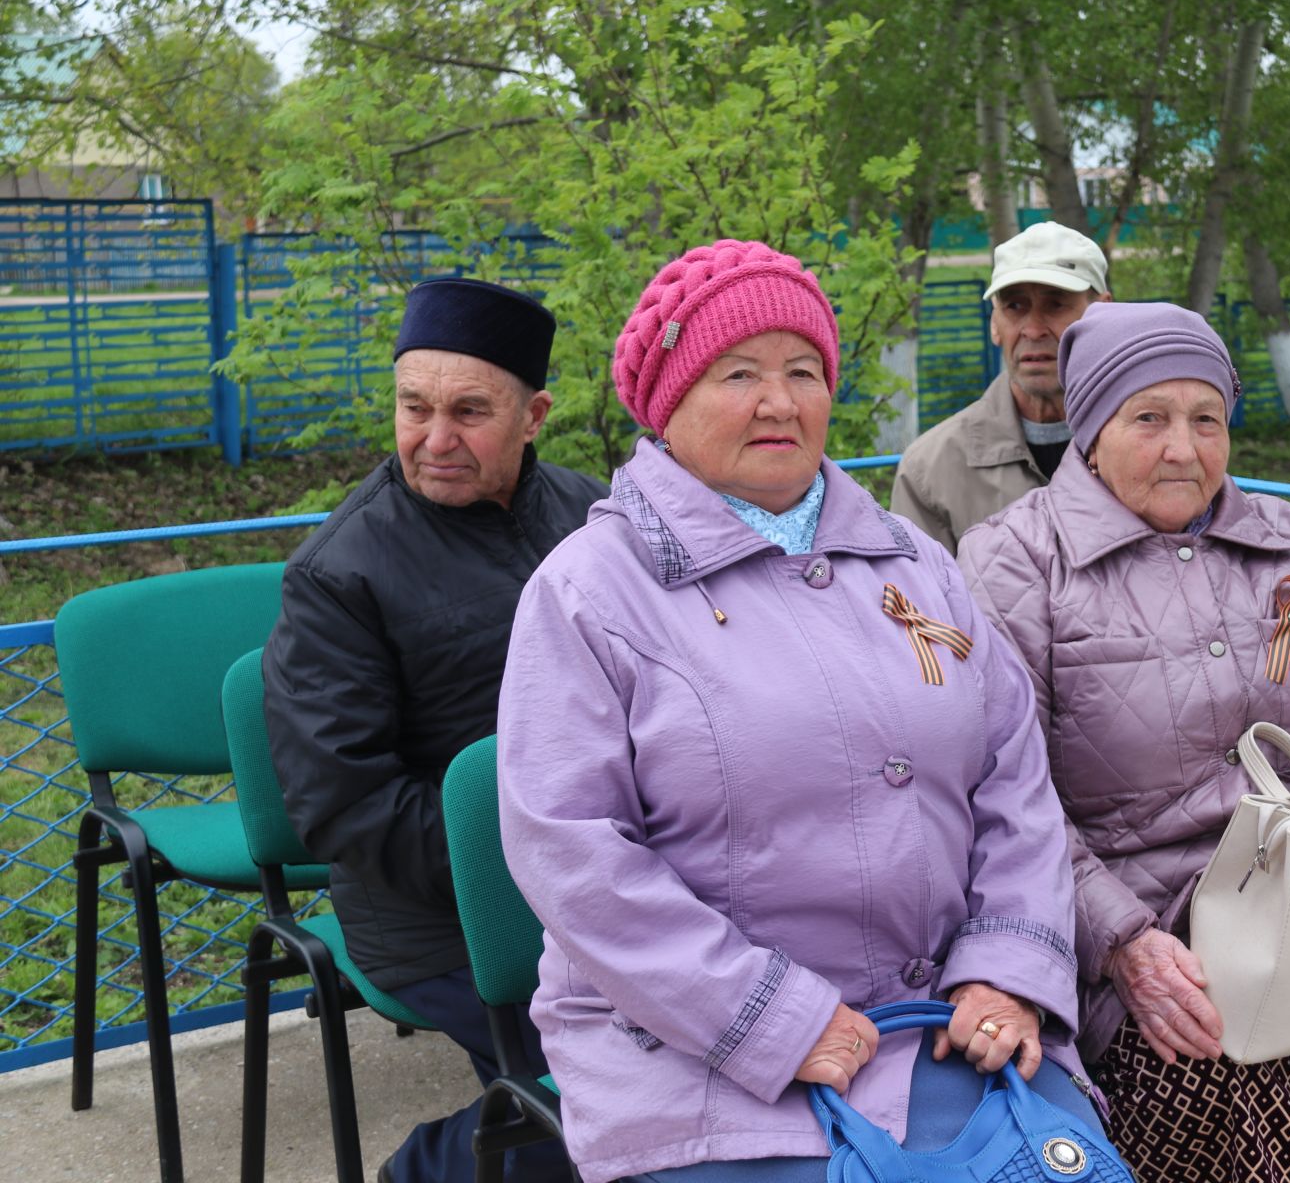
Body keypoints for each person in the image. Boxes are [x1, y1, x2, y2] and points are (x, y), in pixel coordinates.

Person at [496, 239, 1100, 1183]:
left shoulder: (916, 564)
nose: (779, 401)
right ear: (669, 402)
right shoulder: (588, 592)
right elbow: (569, 849)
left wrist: (1005, 968)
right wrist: (773, 1018)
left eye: (804, 371)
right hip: (699, 1057)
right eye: (738, 373)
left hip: (945, 1029)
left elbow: (1014, 780)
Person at [959, 301, 1290, 1183]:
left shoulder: (1289, 540)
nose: (1183, 448)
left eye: (1207, 419)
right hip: (1155, 940)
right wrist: (1121, 944)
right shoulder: (1017, 564)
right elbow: (1001, 797)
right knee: (1228, 1062)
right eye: (1148, 419)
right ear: (1089, 429)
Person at [264, 277, 606, 1183]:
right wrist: (546, 868)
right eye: (414, 408)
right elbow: (346, 804)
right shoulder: (340, 574)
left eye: (469, 411)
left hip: (618, 881)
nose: (435, 440)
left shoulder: (593, 516)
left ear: (533, 416)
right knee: (609, 1092)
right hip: (443, 917)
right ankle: (425, 1170)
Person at [891, 221, 1114, 552]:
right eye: (1015, 306)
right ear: (995, 324)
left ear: (1103, 312)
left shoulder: (1153, 445)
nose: (1034, 329)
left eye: (1056, 304)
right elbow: (915, 599)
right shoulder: (933, 469)